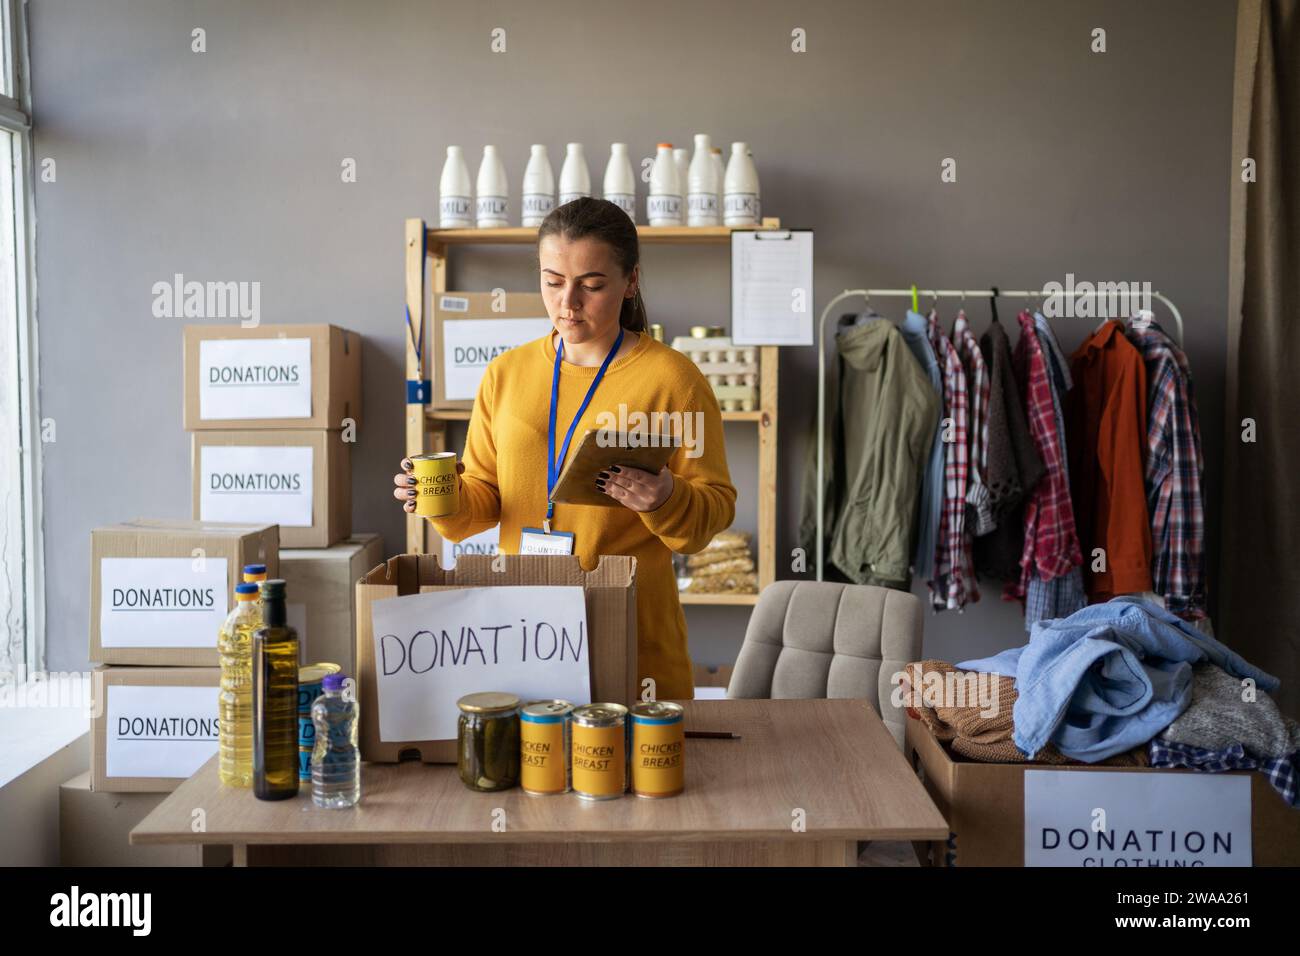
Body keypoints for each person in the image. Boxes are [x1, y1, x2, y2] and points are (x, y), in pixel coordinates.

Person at [393, 197, 736, 700]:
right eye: (553, 282)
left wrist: (665, 499)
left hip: (631, 637)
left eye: (591, 285)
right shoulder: (506, 374)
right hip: (523, 630)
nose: (567, 304)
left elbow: (716, 507)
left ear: (631, 281)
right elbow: (484, 498)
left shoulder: (673, 380)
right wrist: (434, 495)